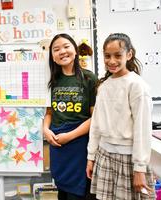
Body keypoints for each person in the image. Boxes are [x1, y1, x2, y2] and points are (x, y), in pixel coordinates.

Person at [86, 33, 155, 200]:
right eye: (107, 56)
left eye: (118, 55)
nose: (111, 61)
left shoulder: (137, 86)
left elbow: (142, 130)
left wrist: (140, 168)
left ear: (129, 55)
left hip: (128, 159)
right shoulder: (103, 86)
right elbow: (95, 125)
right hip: (104, 156)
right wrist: (91, 157)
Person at [43, 33, 98, 200]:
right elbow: (49, 113)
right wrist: (45, 130)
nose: (62, 52)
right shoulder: (52, 80)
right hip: (58, 145)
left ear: (75, 50)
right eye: (56, 49)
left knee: (79, 193)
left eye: (66, 46)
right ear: (52, 56)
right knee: (62, 191)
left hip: (80, 144)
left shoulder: (89, 78)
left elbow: (95, 118)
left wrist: (70, 136)